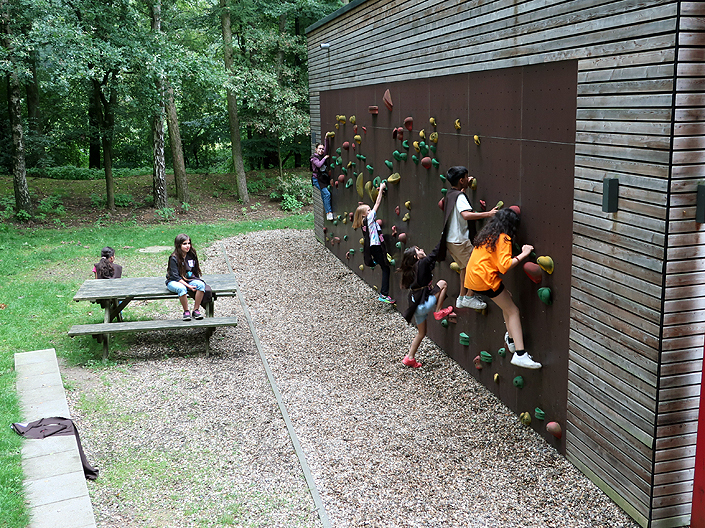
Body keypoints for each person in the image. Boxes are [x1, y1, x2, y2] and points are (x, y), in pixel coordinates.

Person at [464, 208, 541, 369]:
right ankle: (520, 354)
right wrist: (524, 253)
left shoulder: (488, 235)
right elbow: (504, 266)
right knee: (513, 311)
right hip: (485, 280)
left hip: (474, 279)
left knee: (507, 301)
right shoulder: (504, 238)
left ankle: (511, 340)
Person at [439, 166, 497, 310]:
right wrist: (489, 214)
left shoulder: (451, 194)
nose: (468, 178)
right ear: (461, 180)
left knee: (465, 267)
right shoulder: (459, 197)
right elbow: (465, 214)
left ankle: (461, 297)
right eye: (466, 177)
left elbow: (459, 202)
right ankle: (469, 297)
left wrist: (464, 188)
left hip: (451, 241)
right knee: (475, 266)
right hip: (460, 241)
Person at [398, 243, 455, 368]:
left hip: (416, 307)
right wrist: (444, 237)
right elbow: (434, 254)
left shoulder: (413, 269)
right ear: (416, 257)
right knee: (443, 283)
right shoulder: (421, 264)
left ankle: (409, 358)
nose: (422, 249)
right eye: (418, 250)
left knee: (421, 333)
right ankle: (438, 310)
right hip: (423, 305)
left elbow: (431, 262)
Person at [352, 181, 394, 304]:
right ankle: (384, 294)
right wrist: (381, 189)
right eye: (368, 210)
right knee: (386, 269)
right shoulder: (369, 219)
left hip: (373, 248)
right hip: (376, 247)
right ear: (364, 215)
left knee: (383, 264)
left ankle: (375, 260)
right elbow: (377, 203)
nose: (371, 211)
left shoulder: (365, 223)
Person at [166, 234, 207, 321]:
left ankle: (196, 310)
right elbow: (175, 277)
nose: (188, 246)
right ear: (179, 245)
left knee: (201, 285)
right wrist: (188, 286)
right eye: (184, 244)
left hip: (189, 279)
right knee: (181, 288)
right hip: (174, 281)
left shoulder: (191, 255)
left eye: (189, 243)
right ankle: (186, 311)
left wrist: (196, 280)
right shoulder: (173, 258)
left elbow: (195, 270)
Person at [311, 136, 334, 221]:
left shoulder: (322, 155)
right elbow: (319, 164)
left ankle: (327, 212)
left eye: (322, 149)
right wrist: (325, 158)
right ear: (316, 149)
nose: (321, 150)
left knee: (324, 195)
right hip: (317, 179)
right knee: (326, 194)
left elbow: (326, 149)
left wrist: (326, 139)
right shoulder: (314, 158)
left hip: (322, 179)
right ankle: (329, 212)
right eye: (319, 149)